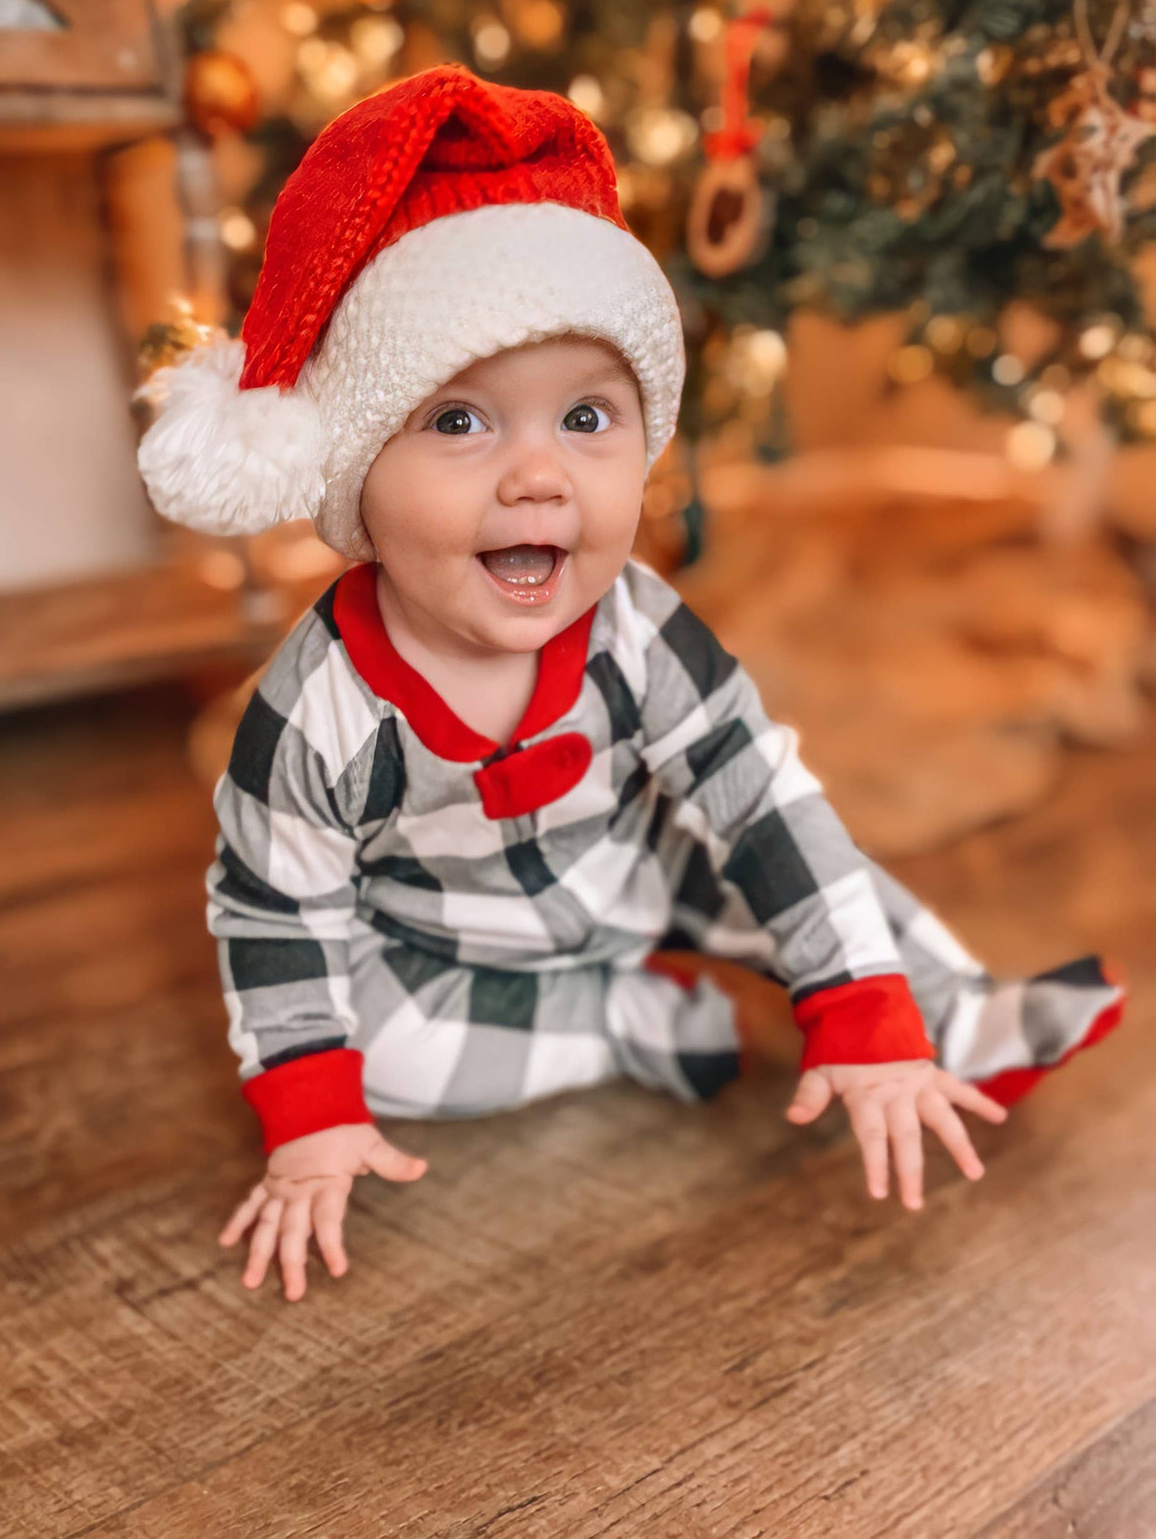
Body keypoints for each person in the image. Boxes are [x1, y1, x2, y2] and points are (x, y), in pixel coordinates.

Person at [137, 64, 1125, 1302]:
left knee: (803, 858)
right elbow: (280, 906)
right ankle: (619, 1023)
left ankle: (949, 1010)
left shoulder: (639, 628)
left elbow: (759, 800)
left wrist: (861, 1009)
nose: (541, 477)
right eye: (460, 423)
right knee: (369, 1057)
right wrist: (310, 1119)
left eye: (588, 419)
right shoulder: (319, 705)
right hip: (443, 937)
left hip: (641, 872)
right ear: (354, 483)